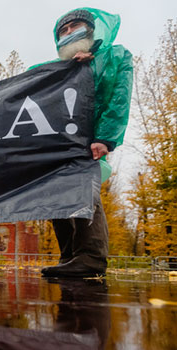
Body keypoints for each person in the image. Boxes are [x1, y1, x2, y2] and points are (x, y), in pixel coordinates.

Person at [39, 8, 133, 278]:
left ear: (91, 29)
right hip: (57, 145)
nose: (69, 33)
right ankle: (69, 256)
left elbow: (119, 97)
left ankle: (90, 257)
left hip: (89, 140)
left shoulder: (115, 57)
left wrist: (106, 137)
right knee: (56, 198)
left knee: (85, 193)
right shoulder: (57, 68)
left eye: (76, 27)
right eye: (63, 31)